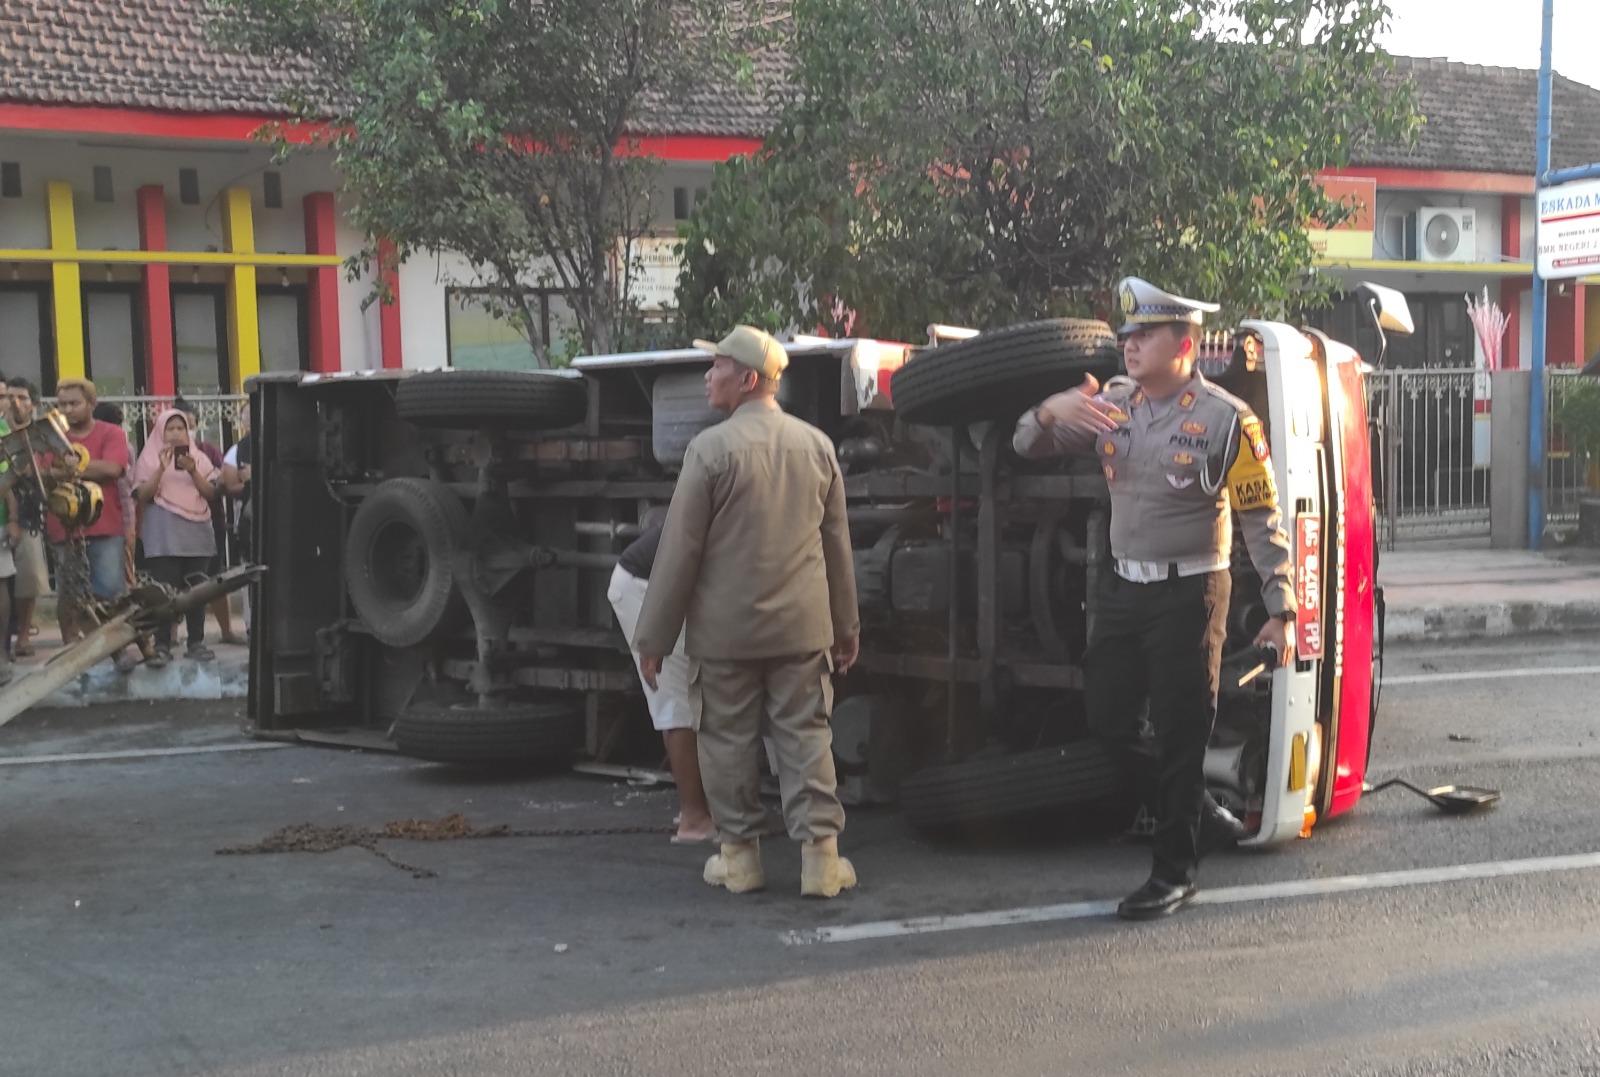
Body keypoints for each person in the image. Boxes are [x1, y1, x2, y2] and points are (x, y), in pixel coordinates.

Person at [1012, 277, 1296, 921]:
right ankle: (1192, 810)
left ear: (1185, 343)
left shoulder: (1229, 420)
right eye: (1126, 335)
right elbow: (1024, 444)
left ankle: (1175, 871)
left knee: (1179, 734)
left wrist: (1282, 610)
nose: (1129, 345)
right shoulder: (1114, 405)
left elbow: (1262, 519)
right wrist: (1053, 409)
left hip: (1190, 593)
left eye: (1144, 334)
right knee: (1107, 720)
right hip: (1121, 588)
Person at [633, 325, 861, 899]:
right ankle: (821, 861)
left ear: (749, 379)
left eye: (718, 368)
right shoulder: (817, 446)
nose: (709, 377)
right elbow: (837, 547)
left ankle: (740, 860)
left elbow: (679, 550)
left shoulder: (709, 451)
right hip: (801, 631)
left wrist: (654, 637)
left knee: (728, 742)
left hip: (726, 634)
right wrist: (847, 627)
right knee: (806, 737)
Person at [607, 517, 716, 844]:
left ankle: (705, 810)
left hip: (666, 583)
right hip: (646, 587)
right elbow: (676, 568)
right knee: (677, 701)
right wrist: (656, 636)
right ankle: (694, 819)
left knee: (692, 698)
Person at [45, 378, 134, 666]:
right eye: (63, 404)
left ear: (91, 404)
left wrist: (71, 468)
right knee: (69, 594)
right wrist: (76, 470)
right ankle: (72, 654)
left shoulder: (112, 433)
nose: (68, 409)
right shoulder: (51, 436)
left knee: (110, 592)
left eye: (74, 403)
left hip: (105, 527)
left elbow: (112, 468)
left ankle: (117, 650)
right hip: (64, 527)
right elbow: (44, 472)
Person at [131, 407, 220, 666]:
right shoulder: (148, 459)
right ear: (160, 431)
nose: (176, 434)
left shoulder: (200, 458)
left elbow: (212, 494)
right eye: (170, 429)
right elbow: (143, 496)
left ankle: (196, 642)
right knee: (163, 593)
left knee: (197, 590)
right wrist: (161, 468)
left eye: (181, 428)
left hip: (197, 531)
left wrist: (192, 470)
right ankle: (162, 645)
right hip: (163, 533)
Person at [175, 397, 244, 645]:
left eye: (189, 424)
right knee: (175, 582)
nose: (184, 431)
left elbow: (221, 482)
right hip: (175, 527)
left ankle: (226, 631)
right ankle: (171, 636)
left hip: (209, 522)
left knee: (214, 579)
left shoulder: (208, 451)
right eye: (178, 425)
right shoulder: (157, 455)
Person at [5, 379, 46, 657]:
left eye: (22, 397)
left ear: (33, 403)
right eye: (10, 397)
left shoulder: (41, 433)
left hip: (32, 513)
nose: (15, 402)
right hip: (6, 512)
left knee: (28, 576)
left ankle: (23, 636)